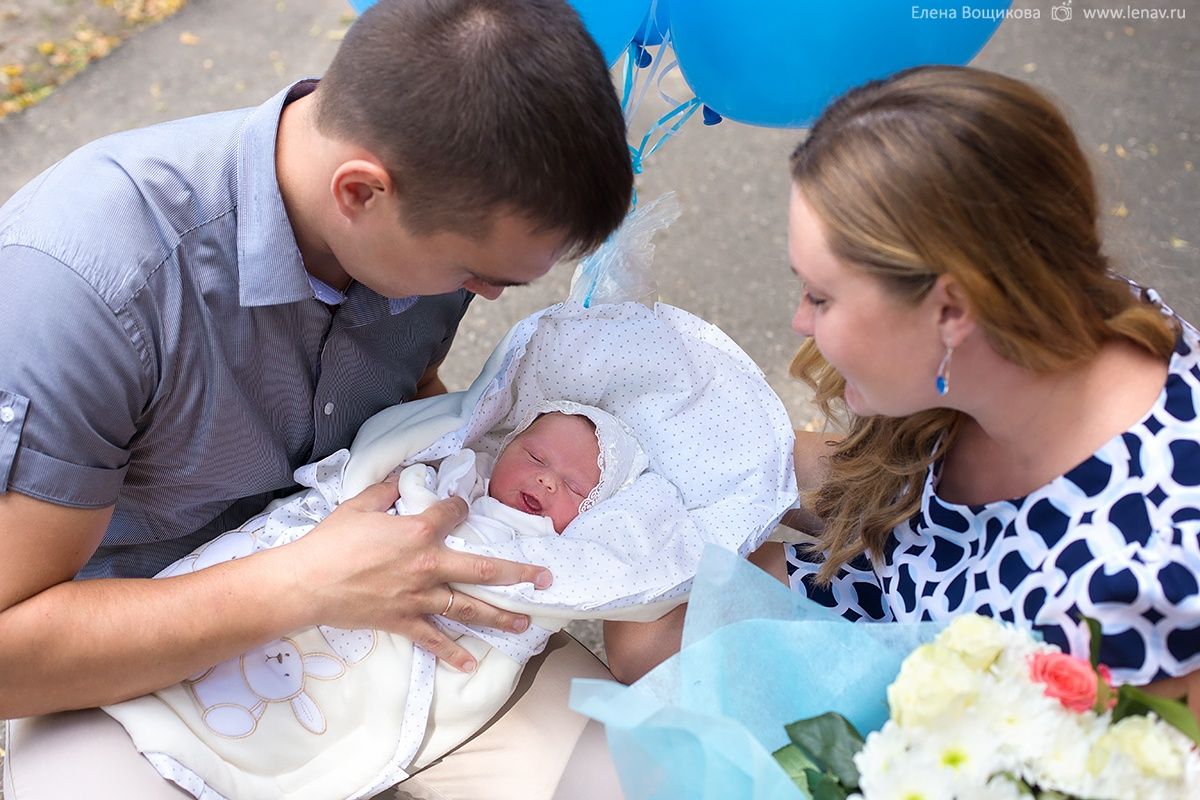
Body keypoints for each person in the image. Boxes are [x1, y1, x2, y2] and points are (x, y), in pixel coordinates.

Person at [0, 0, 632, 797]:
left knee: (649, 773)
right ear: (361, 192)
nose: (486, 297)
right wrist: (300, 584)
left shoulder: (426, 224)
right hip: (127, 672)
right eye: (479, 274)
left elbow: (406, 403)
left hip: (398, 623)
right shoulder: (87, 287)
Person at [605, 65, 1199, 721]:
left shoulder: (1136, 583)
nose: (801, 322)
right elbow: (900, 489)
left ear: (951, 310)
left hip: (945, 721)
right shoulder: (1034, 322)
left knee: (643, 626)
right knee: (640, 612)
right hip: (912, 578)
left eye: (822, 296)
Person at [102, 402, 651, 800]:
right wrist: (415, 488)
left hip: (433, 627)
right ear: (505, 443)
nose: (547, 481)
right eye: (534, 455)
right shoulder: (461, 473)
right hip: (335, 567)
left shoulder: (549, 546)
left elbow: (558, 589)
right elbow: (403, 457)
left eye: (577, 488)